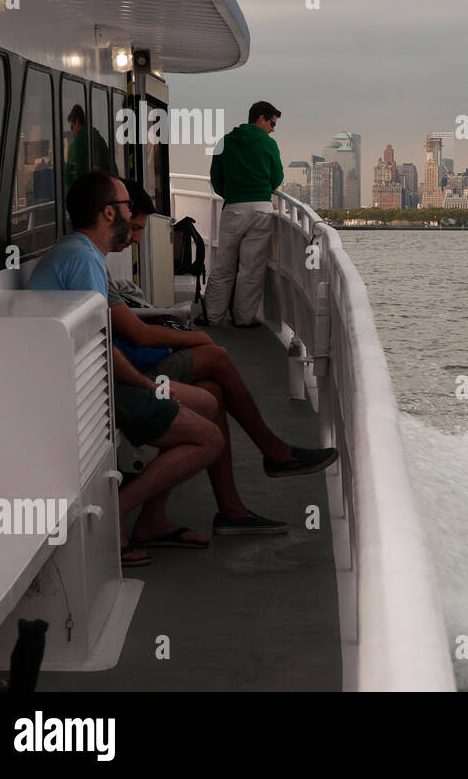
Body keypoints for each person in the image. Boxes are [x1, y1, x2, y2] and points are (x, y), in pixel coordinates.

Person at [110, 180, 338, 527]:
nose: (137, 237)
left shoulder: (88, 260)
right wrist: (197, 338)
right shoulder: (84, 262)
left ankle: (227, 510)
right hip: (128, 376)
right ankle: (273, 452)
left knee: (215, 389)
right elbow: (138, 335)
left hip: (126, 366)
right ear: (111, 214)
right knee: (216, 356)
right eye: (135, 225)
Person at [27, 171, 223, 565]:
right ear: (107, 213)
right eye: (126, 206)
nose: (132, 213)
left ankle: (153, 520)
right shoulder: (84, 260)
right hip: (88, 387)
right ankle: (120, 511)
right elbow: (102, 346)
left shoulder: (78, 252)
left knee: (208, 402)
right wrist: (147, 386)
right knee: (210, 439)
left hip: (83, 376)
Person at [202, 101, 283, 327]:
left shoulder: (224, 142)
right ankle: (244, 318)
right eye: (272, 123)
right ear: (260, 119)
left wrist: (231, 193)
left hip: (234, 208)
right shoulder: (269, 144)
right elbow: (276, 178)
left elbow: (216, 179)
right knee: (252, 268)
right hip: (261, 210)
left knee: (223, 265)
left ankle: (213, 316)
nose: (273, 129)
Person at [63, 104, 115, 189]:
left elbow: (69, 177)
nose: (72, 132)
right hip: (104, 189)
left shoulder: (77, 144)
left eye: (72, 127)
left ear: (77, 122)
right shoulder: (99, 139)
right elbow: (111, 165)